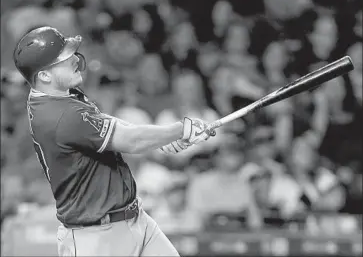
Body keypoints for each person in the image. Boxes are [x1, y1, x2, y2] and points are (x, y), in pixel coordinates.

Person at [12, 26, 216, 257]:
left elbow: (107, 124)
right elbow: (132, 141)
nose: (75, 61)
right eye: (64, 59)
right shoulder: (60, 115)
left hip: (135, 220)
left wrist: (160, 137)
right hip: (97, 238)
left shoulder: (56, 95)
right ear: (44, 76)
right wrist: (180, 129)